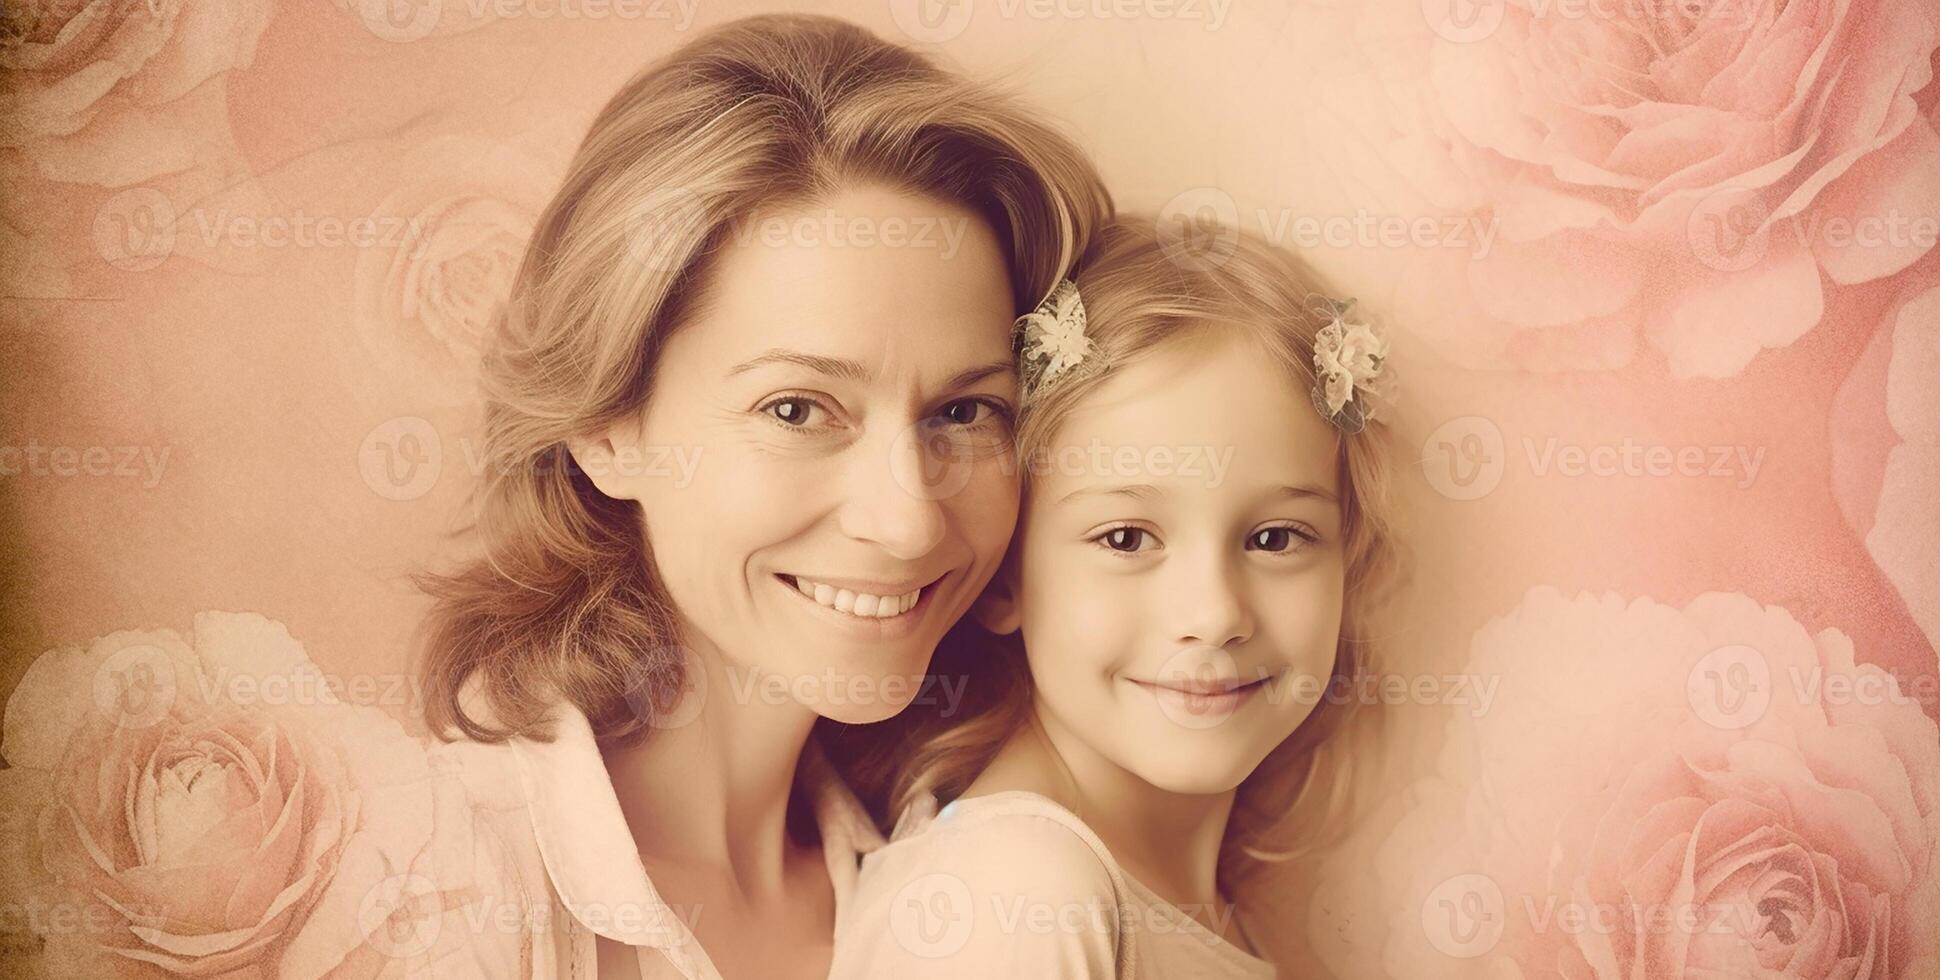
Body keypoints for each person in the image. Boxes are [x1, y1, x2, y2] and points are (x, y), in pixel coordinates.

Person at [411, 14, 1112, 979]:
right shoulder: (427, 888)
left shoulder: (964, 894)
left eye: (964, 410)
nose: (907, 517)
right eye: (797, 409)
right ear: (609, 425)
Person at [828, 217, 1407, 978]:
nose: (1215, 615)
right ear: (1006, 576)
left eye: (1275, 538)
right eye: (1127, 539)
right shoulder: (1019, 896)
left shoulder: (1151, 898)